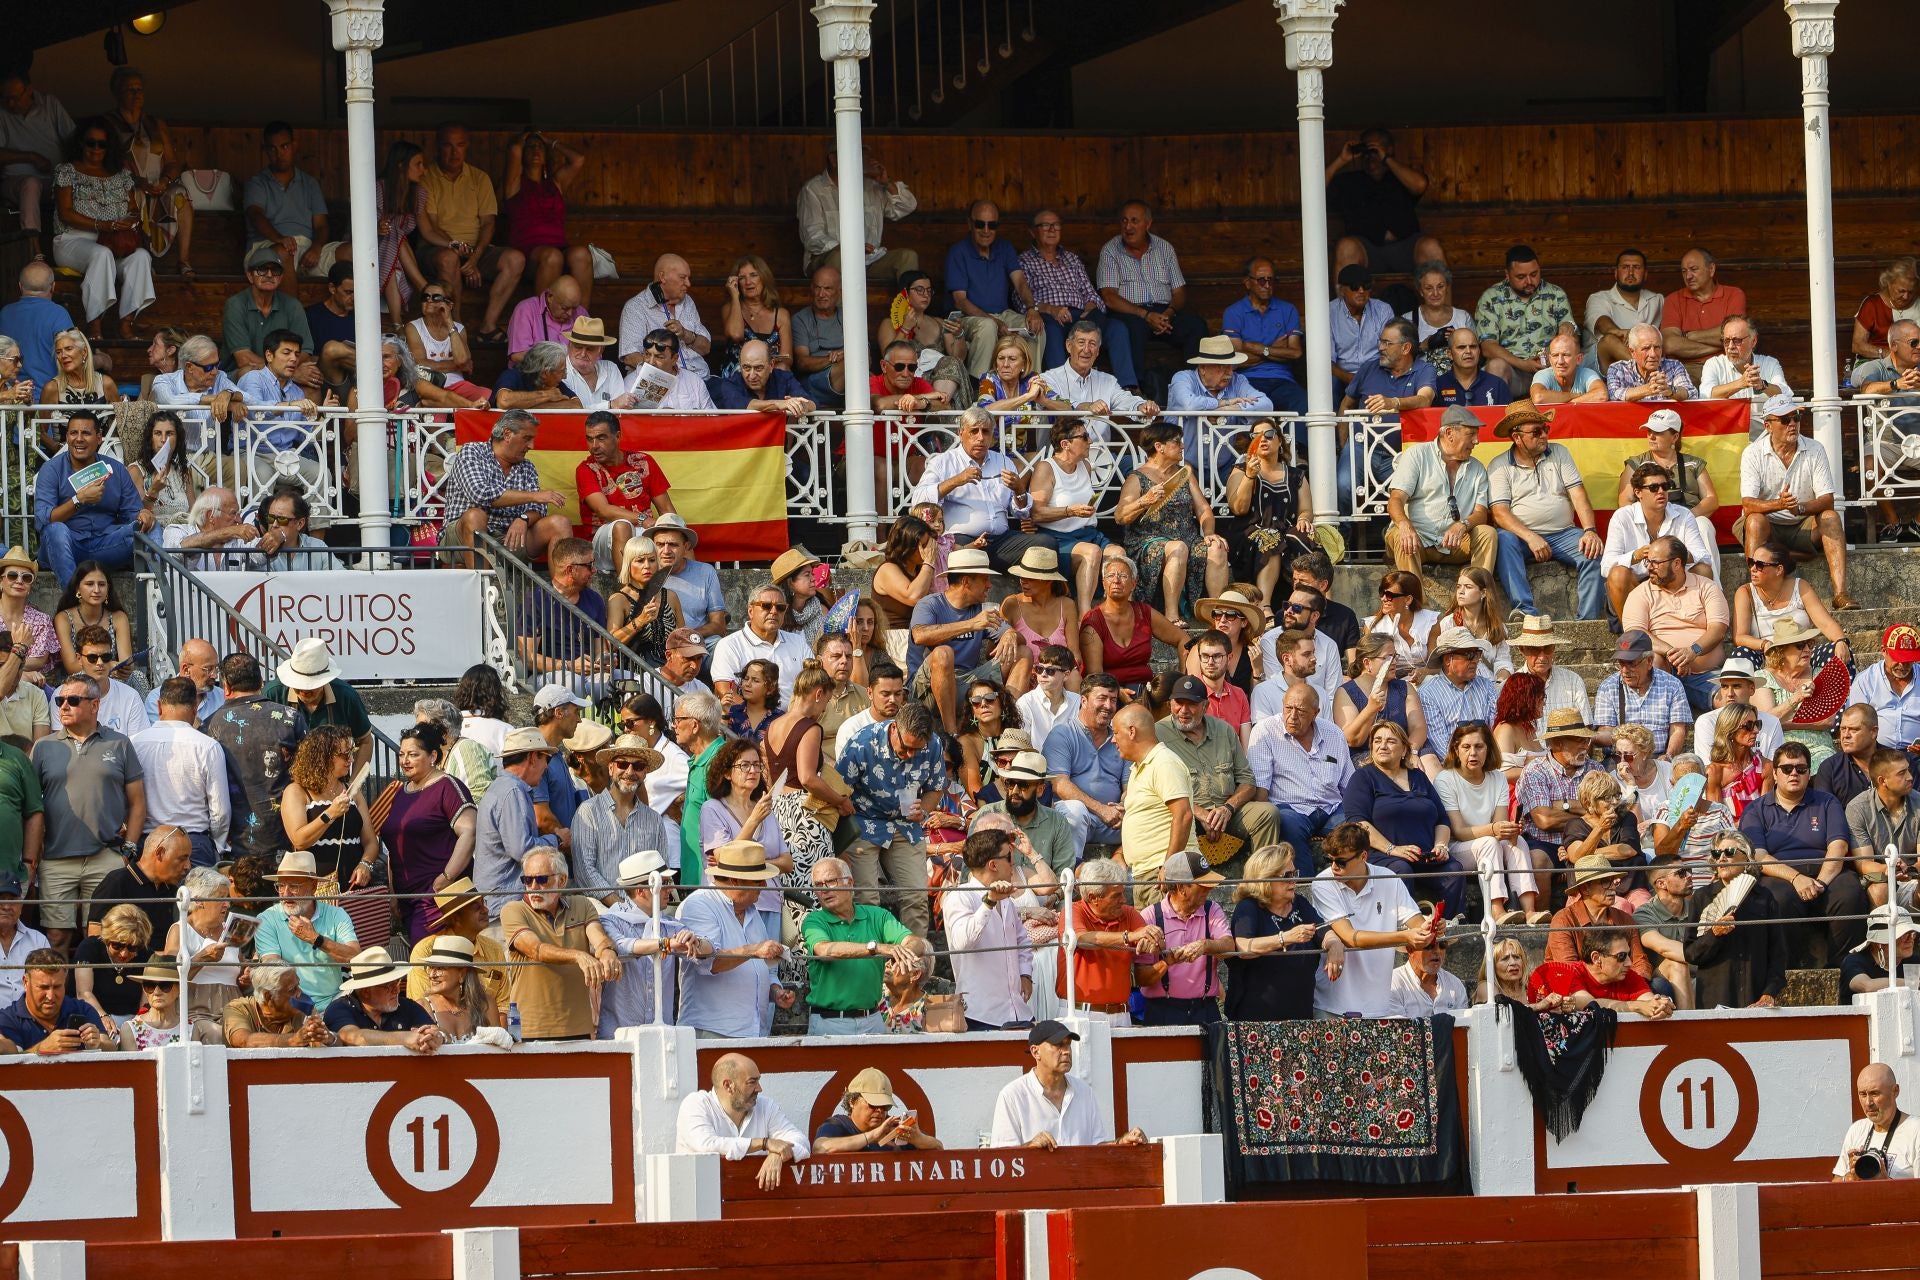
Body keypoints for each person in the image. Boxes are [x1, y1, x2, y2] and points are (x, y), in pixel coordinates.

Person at [33, 671, 145, 955]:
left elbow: (138, 801)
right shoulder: (44, 747)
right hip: (56, 859)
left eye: (72, 699)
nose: (63, 706)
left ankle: (91, 998)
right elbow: (32, 807)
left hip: (105, 857)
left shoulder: (119, 743)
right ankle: (60, 997)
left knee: (99, 939)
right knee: (56, 938)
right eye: (60, 700)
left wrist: (129, 849)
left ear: (95, 705)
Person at [1740, 740, 1870, 967]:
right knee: (1777, 898)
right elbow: (1759, 856)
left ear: (1809, 773)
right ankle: (1786, 971)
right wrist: (1796, 878)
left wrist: (1819, 882)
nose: (1794, 774)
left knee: (1850, 892)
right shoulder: (1756, 809)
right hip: (1780, 876)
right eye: (1787, 769)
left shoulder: (1827, 802)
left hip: (1825, 873)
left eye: (1801, 769)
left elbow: (1838, 847)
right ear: (1775, 773)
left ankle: (1846, 970)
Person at [1489, 405, 1606, 620]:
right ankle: (1525, 611)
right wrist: (1531, 537)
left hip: (1563, 533)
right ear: (1517, 437)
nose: (1544, 435)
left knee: (1593, 550)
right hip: (1522, 538)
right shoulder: (1499, 465)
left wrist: (1590, 530)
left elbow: (1578, 494)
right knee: (1503, 539)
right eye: (1536, 432)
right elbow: (1499, 513)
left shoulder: (1560, 452)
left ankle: (1587, 623)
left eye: (1545, 429)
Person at [839, 702, 945, 939]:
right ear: (894, 728)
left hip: (906, 825)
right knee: (866, 898)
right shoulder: (862, 743)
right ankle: (872, 964)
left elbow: (936, 788)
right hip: (863, 823)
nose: (910, 755)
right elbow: (839, 786)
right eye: (906, 748)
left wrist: (924, 811)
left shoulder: (934, 744)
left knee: (916, 896)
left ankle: (915, 966)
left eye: (917, 750)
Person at [1310, 822, 1434, 1018]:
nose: (1334, 867)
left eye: (1341, 862)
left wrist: (1431, 927)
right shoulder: (1322, 884)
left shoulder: (1388, 878)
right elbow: (1351, 938)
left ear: (1363, 856)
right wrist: (1406, 936)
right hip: (1332, 1006)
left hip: (1379, 1006)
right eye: (1329, 860)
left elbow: (1416, 922)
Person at [1740, 395, 1853, 610]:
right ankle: (1756, 596)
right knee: (1754, 521)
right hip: (1768, 525)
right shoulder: (1752, 453)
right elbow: (1748, 505)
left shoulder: (1815, 448)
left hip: (1802, 523)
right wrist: (1780, 504)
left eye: (1796, 417)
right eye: (1784, 420)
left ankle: (1840, 594)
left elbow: (1827, 499)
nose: (1792, 424)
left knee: (1831, 516)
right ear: (1768, 426)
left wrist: (1799, 507)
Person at [1344, 720, 1463, 917]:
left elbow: (1442, 818)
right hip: (1382, 855)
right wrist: (1393, 849)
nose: (1382, 745)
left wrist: (1441, 845)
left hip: (1425, 855)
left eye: (1390, 741)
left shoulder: (1418, 777)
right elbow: (1358, 822)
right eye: (1377, 741)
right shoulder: (1363, 778)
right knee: (1401, 868)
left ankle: (1448, 926)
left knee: (1454, 870)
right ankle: (1407, 927)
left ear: (1404, 750)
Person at [417, 123, 523, 341]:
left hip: (475, 252)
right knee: (448, 258)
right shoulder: (426, 178)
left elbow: (488, 224)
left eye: (460, 145)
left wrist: (473, 259)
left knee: (516, 258)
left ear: (467, 148)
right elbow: (432, 227)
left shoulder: (479, 178)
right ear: (437, 147)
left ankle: (488, 326)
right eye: (448, 146)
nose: (454, 152)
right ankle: (456, 328)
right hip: (438, 248)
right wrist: (462, 253)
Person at [1115, 422, 1229, 620]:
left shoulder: (1184, 472)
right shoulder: (1137, 477)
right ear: (1159, 447)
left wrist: (1209, 533)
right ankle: (1172, 615)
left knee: (1217, 548)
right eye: (1177, 442)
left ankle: (1218, 613)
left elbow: (1203, 508)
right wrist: (1145, 500)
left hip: (1188, 536)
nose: (1183, 446)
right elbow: (1120, 516)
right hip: (1148, 540)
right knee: (1178, 547)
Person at [51, 118, 155, 335]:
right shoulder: (67, 171)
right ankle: (95, 324)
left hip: (114, 241)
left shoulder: (121, 175)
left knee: (141, 257)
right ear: (81, 143)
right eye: (91, 143)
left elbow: (134, 209)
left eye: (102, 144)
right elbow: (65, 212)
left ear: (110, 148)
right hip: (72, 241)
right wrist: (102, 224)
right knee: (101, 254)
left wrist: (130, 221)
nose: (96, 148)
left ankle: (127, 323)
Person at [501, 847, 616, 1042]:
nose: (533, 887)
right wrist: (579, 956)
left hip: (578, 1027)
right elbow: (535, 949)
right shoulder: (513, 910)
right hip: (530, 1030)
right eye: (527, 880)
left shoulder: (582, 904)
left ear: (562, 880)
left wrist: (607, 952)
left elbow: (597, 936)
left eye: (542, 880)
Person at [800, 857, 924, 1035]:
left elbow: (915, 942)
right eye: (818, 885)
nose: (824, 890)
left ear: (849, 883)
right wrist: (877, 948)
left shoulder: (877, 915)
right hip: (830, 1022)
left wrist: (904, 955)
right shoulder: (814, 921)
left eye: (831, 882)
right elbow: (825, 950)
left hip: (872, 1018)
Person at [1158, 674, 1281, 854]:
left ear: (1205, 706)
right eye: (1178, 703)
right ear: (1170, 704)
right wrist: (1199, 813)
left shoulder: (1224, 730)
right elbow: (1157, 790)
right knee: (1177, 819)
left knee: (1268, 813)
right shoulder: (1158, 733)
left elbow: (1247, 780)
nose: (1183, 710)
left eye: (1191, 704)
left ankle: (1261, 878)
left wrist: (1227, 808)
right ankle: (1176, 877)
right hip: (1185, 815)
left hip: (1226, 813)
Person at [1436, 721, 1542, 924]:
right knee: (1489, 842)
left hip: (1489, 844)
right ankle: (1496, 909)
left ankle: (1530, 911)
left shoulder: (1497, 778)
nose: (1473, 753)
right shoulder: (1445, 779)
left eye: (1479, 747)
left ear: (1488, 749)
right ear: (1456, 750)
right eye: (1466, 747)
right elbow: (1458, 831)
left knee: (1518, 842)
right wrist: (1494, 829)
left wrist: (1509, 831)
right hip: (1459, 848)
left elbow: (1500, 824)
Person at [1096, 199, 1206, 392]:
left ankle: (1194, 385)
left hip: (1164, 312)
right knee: (1132, 328)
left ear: (1148, 224)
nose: (1128, 226)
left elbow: (1179, 292)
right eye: (1124, 221)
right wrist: (1145, 315)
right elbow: (1109, 297)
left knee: (1196, 326)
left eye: (1134, 221)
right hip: (1130, 312)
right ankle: (1137, 390)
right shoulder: (1110, 251)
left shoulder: (1164, 248)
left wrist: (1169, 312)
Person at [202, 654, 301, 860]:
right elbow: (309, 774)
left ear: (226, 687)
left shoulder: (210, 725)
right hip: (287, 837)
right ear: (261, 683)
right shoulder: (291, 717)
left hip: (235, 842)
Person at [1224, 843, 1336, 1021]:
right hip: (1256, 1021)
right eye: (1287, 876)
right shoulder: (1248, 908)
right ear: (1265, 879)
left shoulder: (1300, 904)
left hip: (1300, 1018)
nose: (1294, 881)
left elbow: (1323, 930)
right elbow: (1243, 948)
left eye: (1295, 874)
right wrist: (1285, 938)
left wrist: (1334, 945)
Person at [441, 409, 573, 560]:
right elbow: (480, 494)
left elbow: (539, 508)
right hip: (461, 537)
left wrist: (523, 518)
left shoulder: (527, 466)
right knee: (475, 515)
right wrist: (535, 496)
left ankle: (560, 583)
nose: (532, 445)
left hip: (508, 536)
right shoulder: (472, 451)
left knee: (560, 523)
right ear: (507, 434)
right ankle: (485, 582)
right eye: (527, 438)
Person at [991, 1019, 1145, 1147]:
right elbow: (1002, 1158)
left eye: (1068, 1044)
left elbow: (1096, 1148)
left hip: (1078, 1181)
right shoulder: (1012, 1095)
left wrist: (1122, 1142)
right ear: (1035, 1052)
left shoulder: (1084, 1091)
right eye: (1058, 1045)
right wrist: (1030, 1146)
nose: (1066, 1051)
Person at [1249, 682, 1352, 875]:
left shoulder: (1334, 734)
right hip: (1290, 808)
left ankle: (1351, 889)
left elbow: (1350, 784)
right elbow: (1260, 789)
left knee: (1354, 826)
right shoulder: (1265, 732)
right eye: (1288, 708)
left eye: (1301, 711)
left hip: (1331, 807)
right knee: (1288, 824)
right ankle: (1304, 886)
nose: (1292, 717)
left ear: (1315, 712)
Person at [1620, 535, 1730, 715]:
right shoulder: (1640, 593)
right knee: (1652, 658)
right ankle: (1659, 720)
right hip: (1661, 673)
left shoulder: (1707, 587)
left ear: (1677, 563)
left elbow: (1718, 630)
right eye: (1647, 562)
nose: (1649, 567)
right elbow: (1636, 633)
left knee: (1733, 700)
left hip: (1706, 675)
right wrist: (1676, 654)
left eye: (1655, 563)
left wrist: (1692, 651)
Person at [33, 411, 143, 588]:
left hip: (106, 545)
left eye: (86, 433)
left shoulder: (115, 469)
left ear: (99, 438)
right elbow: (43, 521)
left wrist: (144, 514)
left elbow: (133, 515)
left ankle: (159, 591)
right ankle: (74, 602)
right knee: (56, 530)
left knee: (148, 528)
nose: (79, 439)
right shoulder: (51, 469)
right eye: (73, 433)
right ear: (67, 437)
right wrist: (78, 500)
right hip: (65, 547)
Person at [1385, 406, 1495, 575]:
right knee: (1401, 536)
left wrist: (1462, 525)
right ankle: (1415, 600)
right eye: (1471, 434)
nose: (1477, 441)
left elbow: (1481, 512)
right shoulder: (1417, 454)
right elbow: (1395, 500)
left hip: (1455, 543)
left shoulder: (1477, 468)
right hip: (1417, 540)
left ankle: (1478, 596)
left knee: (1487, 533)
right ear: (1449, 433)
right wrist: (1405, 525)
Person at [1686, 832, 1789, 1009]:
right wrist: (1714, 934)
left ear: (1747, 857)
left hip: (1756, 997)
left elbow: (1778, 952)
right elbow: (1691, 954)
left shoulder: (1764, 898)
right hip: (1715, 999)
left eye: (1730, 852)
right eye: (1717, 854)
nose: (1722, 859)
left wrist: (1769, 993)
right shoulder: (1702, 897)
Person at [128, 680, 225, 868]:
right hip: (194, 842)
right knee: (196, 897)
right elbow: (220, 812)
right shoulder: (207, 746)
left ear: (158, 706)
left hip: (148, 841)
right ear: (195, 708)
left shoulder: (134, 743)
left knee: (150, 898)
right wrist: (217, 844)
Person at [1604, 460, 1718, 618]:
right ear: (1638, 492)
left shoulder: (1684, 514)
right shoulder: (1622, 517)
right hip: (1636, 586)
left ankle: (1695, 625)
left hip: (1671, 582)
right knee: (1617, 574)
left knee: (1703, 570)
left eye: (1665, 486)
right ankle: (1632, 634)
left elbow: (1704, 556)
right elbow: (1606, 566)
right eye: (1653, 487)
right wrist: (1635, 556)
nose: (1661, 492)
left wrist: (1674, 555)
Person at [677, 1051, 810, 1187]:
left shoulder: (765, 1106)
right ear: (728, 1086)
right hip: (701, 1199)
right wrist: (764, 1143)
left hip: (751, 1201)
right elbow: (706, 1146)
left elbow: (802, 1141)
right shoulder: (696, 1103)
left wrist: (778, 1154)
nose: (759, 1088)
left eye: (758, 1081)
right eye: (752, 1082)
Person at [1340, 318, 1438, 494]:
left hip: (1402, 452)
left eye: (1387, 343)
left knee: (1408, 495)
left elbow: (1425, 399)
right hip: (1361, 447)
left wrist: (1393, 402)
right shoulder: (1369, 368)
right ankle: (1344, 524)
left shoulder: (1424, 369)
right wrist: (1344, 444)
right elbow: (1346, 404)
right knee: (1343, 486)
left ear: (1405, 348)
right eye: (1381, 342)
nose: (1380, 348)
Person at [1327, 128, 1444, 276]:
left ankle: (1444, 300)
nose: (1371, 155)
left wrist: (1386, 158)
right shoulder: (1350, 181)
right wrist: (1341, 160)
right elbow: (1313, 191)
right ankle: (1343, 301)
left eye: (1375, 149)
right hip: (1368, 250)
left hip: (1406, 248)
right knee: (1345, 247)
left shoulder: (1400, 176)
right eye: (1367, 150)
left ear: (1389, 149)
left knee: (1431, 247)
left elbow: (1420, 185)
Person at [252, 850, 359, 1006]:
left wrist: (315, 939)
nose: (286, 894)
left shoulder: (336, 914)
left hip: (336, 1001)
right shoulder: (266, 919)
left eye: (294, 886)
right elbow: (273, 970)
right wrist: (304, 1006)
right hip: (291, 1005)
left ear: (313, 886)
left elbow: (356, 959)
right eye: (280, 886)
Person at [1224, 422, 1314, 606]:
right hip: (1249, 532)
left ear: (1280, 440)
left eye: (1269, 434)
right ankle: (1264, 606)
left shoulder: (1296, 475)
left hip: (1286, 530)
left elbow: (1305, 510)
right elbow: (1238, 508)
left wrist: (1304, 518)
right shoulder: (1241, 470)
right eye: (1256, 436)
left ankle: (1316, 602)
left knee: (1307, 537)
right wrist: (1250, 476)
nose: (1262, 439)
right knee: (1271, 537)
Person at [502, 130, 593, 306]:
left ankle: (583, 323)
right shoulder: (515, 184)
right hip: (529, 253)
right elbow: (514, 149)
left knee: (581, 254)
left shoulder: (555, 183)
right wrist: (526, 135)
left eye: (540, 148)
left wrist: (550, 141)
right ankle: (541, 322)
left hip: (559, 247)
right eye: (530, 147)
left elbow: (578, 159)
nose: (536, 151)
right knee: (553, 257)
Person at [1474, 245, 1579, 396]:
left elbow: (1571, 333)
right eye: (1521, 277)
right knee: (1496, 366)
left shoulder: (1555, 294)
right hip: (1513, 371)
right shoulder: (1491, 298)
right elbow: (1487, 347)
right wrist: (1523, 364)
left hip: (1551, 370)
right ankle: (1497, 418)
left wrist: (1567, 329)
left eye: (1534, 274)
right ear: (1507, 274)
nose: (1529, 281)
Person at [241, 121, 340, 282]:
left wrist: (316, 247)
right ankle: (293, 309)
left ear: (294, 146)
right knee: (282, 253)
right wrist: (279, 238)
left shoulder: (310, 183)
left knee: (351, 252)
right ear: (266, 150)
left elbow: (321, 225)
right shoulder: (257, 183)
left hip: (306, 250)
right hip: (267, 247)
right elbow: (255, 215)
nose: (279, 154)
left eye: (284, 146)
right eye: (272, 149)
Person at [1080, 555, 1186, 701]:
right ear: (1103, 583)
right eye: (1110, 576)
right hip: (1107, 692)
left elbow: (1183, 639)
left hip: (1144, 689)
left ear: (1133, 584)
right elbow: (1095, 676)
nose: (1116, 580)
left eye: (1123, 576)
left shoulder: (1144, 612)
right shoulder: (1093, 620)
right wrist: (1118, 692)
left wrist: (1183, 677)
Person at [1731, 538, 1850, 668]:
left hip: (1801, 656)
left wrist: (1840, 641)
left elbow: (1826, 623)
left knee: (1838, 651)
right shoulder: (1745, 592)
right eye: (1751, 562)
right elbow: (1740, 637)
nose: (1753, 569)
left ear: (1779, 569)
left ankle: (1845, 689)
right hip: (1766, 657)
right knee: (1741, 654)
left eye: (1759, 565)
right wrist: (1764, 644)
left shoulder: (1800, 586)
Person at [1516, 709, 1604, 873]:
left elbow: (1606, 813)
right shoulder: (1535, 771)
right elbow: (1545, 820)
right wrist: (1589, 815)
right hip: (1545, 844)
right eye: (1579, 740)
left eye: (1587, 740)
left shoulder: (1595, 769)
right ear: (1557, 743)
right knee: (1537, 861)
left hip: (1587, 841)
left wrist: (1566, 805)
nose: (1586, 745)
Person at [1167, 336, 1275, 467]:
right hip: (1181, 464)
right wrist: (1225, 402)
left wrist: (1226, 410)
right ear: (1202, 368)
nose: (1229, 372)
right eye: (1222, 367)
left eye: (1230, 366)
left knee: (1247, 481)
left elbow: (1266, 405)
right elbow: (1190, 404)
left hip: (1223, 466)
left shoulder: (1237, 380)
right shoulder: (1183, 378)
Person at [1526, 926, 1676, 1019]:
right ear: (1596, 958)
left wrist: (1660, 1006)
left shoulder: (1628, 974)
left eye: (1628, 955)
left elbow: (1649, 1001)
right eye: (1621, 956)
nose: (1630, 963)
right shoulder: (1569, 973)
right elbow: (1590, 1004)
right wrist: (1636, 1006)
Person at [1219, 256, 1307, 412]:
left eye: (1271, 280)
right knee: (1239, 406)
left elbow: (1295, 352)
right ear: (1247, 283)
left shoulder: (1288, 310)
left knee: (1303, 402)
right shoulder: (1234, 312)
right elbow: (1236, 360)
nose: (1267, 285)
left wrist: (1260, 349)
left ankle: (1298, 439)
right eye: (1261, 280)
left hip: (1282, 379)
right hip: (1246, 380)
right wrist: (1275, 350)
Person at [1753, 621, 1842, 768]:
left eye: (1809, 644)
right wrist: (1797, 698)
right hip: (1780, 749)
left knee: (1827, 765)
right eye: (1800, 646)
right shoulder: (1763, 677)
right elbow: (1765, 722)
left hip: (1819, 749)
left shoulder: (1820, 674)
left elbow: (1827, 720)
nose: (1807, 649)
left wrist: (1781, 720)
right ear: (1781, 651)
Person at [321, 947, 442, 1053]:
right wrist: (404, 1038)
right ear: (366, 992)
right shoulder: (339, 1008)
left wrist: (437, 1037)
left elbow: (436, 1031)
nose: (397, 990)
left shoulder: (407, 1006)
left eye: (397, 983)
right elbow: (353, 1037)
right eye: (389, 986)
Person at [1418, 627, 1500, 761]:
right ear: (1447, 660)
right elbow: (1442, 747)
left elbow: (1496, 730)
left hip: (1489, 762)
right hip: (1453, 769)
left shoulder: (1487, 686)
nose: (1475, 660)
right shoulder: (1428, 694)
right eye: (1469, 655)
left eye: (1477, 653)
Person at [0, 948, 104, 1054]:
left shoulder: (83, 1010)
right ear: (25, 982)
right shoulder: (7, 1020)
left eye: (57, 987)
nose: (50, 996)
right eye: (44, 987)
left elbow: (111, 1047)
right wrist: (41, 1049)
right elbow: (11, 1065)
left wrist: (98, 1044)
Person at [813, 1068, 943, 1153]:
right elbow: (820, 1148)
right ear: (852, 1101)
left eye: (885, 1106)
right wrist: (872, 1136)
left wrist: (919, 1139)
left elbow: (938, 1148)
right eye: (873, 1104)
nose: (880, 1110)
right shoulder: (838, 1125)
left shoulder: (893, 1129)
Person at [1701, 315, 1791, 434]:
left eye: (1737, 340)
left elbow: (1785, 395)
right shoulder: (1713, 364)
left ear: (1753, 341)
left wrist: (1762, 385)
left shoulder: (1770, 363)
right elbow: (1706, 395)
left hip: (1764, 436)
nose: (1730, 347)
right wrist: (1741, 383)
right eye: (1726, 341)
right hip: (1726, 436)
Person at [1834, 1061, 1920, 1181]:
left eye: (1875, 1093)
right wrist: (1850, 1178)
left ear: (1895, 1091)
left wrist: (1885, 1184)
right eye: (1863, 1094)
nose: (1868, 1103)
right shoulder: (1857, 1129)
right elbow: (1835, 1183)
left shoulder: (1915, 1130)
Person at [1661, 248, 1749, 363]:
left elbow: (1736, 336)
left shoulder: (1734, 294)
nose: (1688, 276)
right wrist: (1722, 346)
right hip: (1686, 369)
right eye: (1684, 271)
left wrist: (1688, 336)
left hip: (1725, 366)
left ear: (1711, 269)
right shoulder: (1673, 299)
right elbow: (1670, 345)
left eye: (1693, 269)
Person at [1584, 248, 1664, 369]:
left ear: (1645, 274)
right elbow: (1601, 322)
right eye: (1625, 267)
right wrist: (1618, 332)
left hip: (1643, 358)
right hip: (1601, 364)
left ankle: (1645, 373)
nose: (1630, 273)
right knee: (1610, 340)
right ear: (1616, 273)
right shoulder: (1599, 298)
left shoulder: (1657, 300)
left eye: (1636, 267)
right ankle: (1649, 373)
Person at [221, 962, 332, 1049]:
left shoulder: (303, 1009)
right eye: (292, 990)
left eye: (298, 986)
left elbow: (325, 1045)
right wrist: (293, 1040)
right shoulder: (238, 1008)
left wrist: (329, 1039)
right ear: (268, 996)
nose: (299, 993)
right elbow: (243, 1040)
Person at [74, 902, 151, 1024]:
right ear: (106, 938)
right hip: (94, 1017)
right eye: (117, 945)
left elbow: (146, 999)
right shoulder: (89, 947)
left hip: (133, 1021)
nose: (124, 954)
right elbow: (83, 993)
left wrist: (138, 1024)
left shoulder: (145, 954)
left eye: (132, 948)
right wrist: (102, 1016)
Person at [0, 263, 71, 390]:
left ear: (20, 286)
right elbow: (72, 360)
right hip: (47, 402)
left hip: (11, 400)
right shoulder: (58, 314)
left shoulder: (4, 314)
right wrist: (100, 360)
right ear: (53, 287)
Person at [1606, 324, 1697, 403]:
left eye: (1657, 347)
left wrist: (1670, 390)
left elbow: (1690, 393)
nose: (1653, 354)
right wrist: (1649, 388)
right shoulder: (1618, 368)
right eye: (1646, 348)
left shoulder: (1674, 366)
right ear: (1632, 352)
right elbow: (1614, 395)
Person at [1842, 907, 1919, 996]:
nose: (1910, 939)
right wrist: (1912, 984)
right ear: (1879, 942)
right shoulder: (1854, 961)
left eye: (1912, 933)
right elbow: (1867, 986)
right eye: (1903, 935)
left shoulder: (1914, 961)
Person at [1434, 328, 1510, 407]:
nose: (1468, 351)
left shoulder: (1497, 385)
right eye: (1461, 347)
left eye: (1473, 347)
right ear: (1449, 354)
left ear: (1479, 351)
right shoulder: (1438, 386)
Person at [1529, 331, 1607, 406]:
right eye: (1555, 355)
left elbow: (1602, 395)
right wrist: (1577, 396)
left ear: (1579, 359)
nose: (1560, 361)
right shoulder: (1543, 374)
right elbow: (1538, 397)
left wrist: (1568, 403)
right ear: (1550, 359)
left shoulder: (1587, 373)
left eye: (1566, 355)